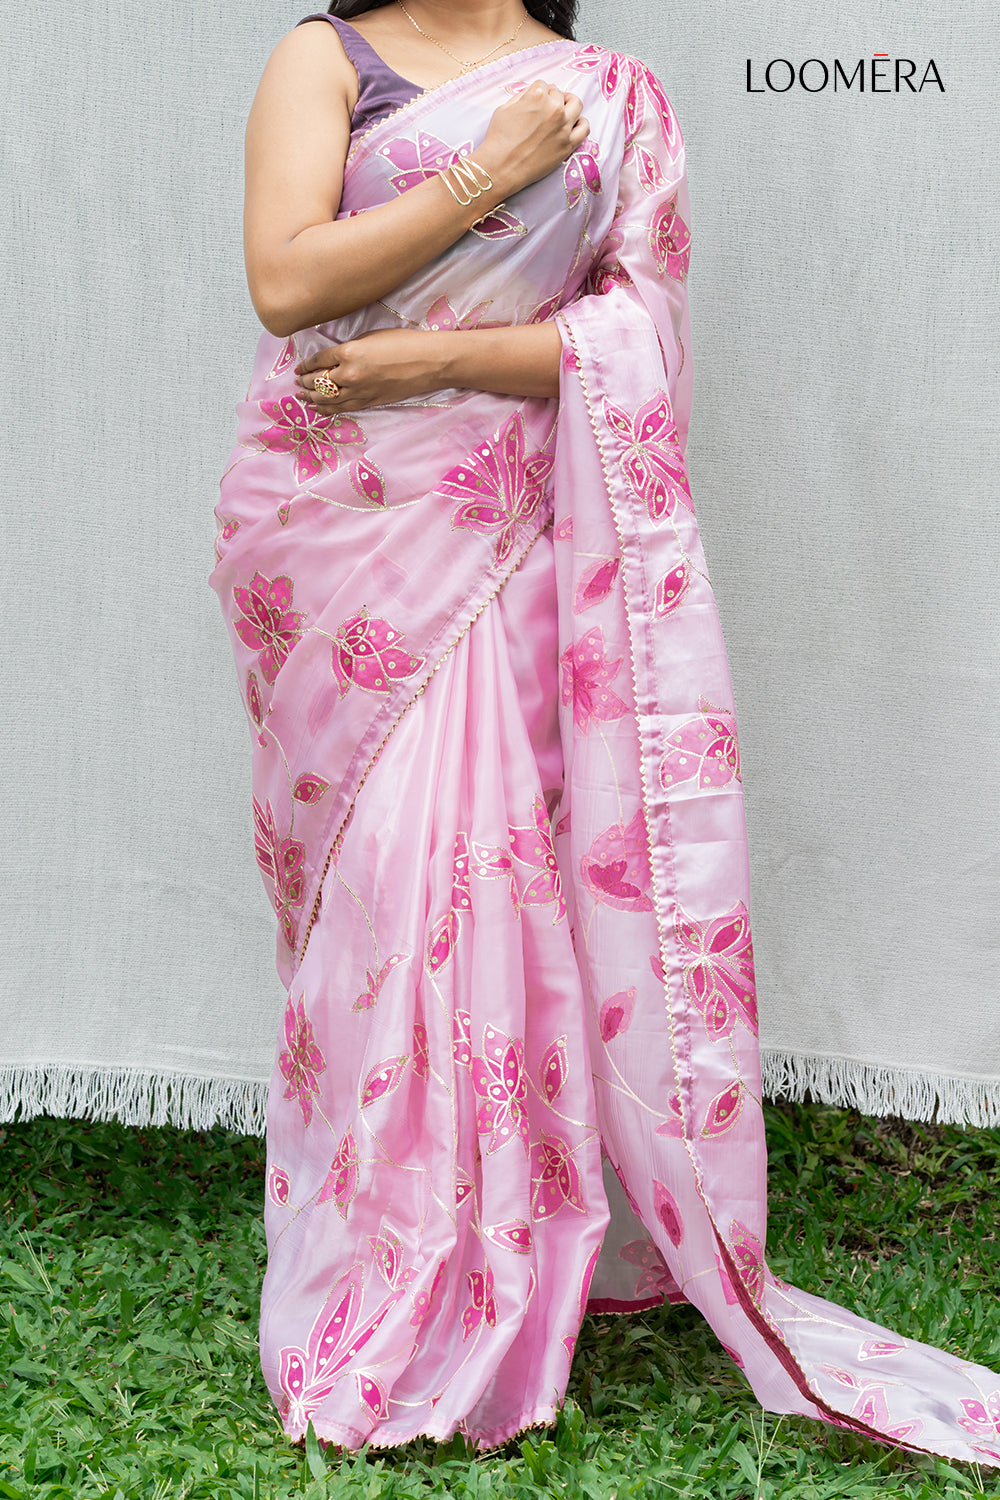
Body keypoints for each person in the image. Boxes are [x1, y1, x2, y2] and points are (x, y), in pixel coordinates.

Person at [210, 0, 1000, 1462]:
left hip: (509, 521)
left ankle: (498, 1271)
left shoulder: (612, 93)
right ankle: (389, 1253)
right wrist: (482, 174)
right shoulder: (324, 55)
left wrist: (430, 363)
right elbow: (283, 280)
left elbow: (639, 335)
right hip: (336, 533)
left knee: (496, 876)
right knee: (388, 892)